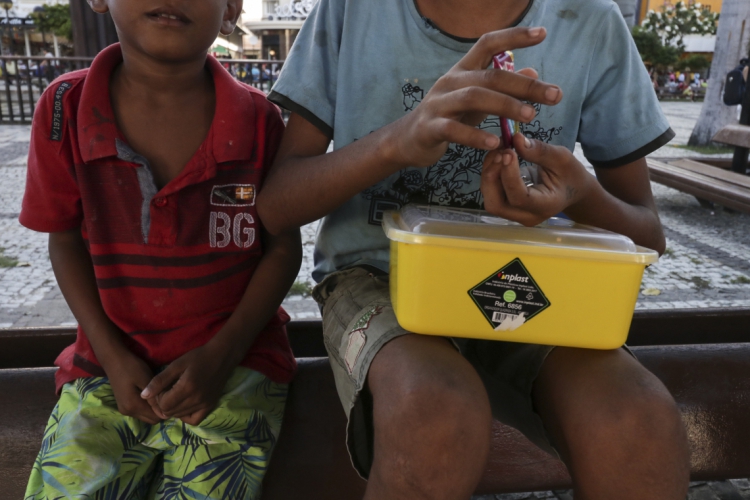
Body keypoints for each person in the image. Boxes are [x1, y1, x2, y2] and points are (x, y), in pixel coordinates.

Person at [257, 0, 690, 498]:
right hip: (376, 276)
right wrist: (397, 142)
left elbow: (647, 236)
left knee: (640, 423)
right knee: (434, 414)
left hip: (529, 281)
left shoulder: (590, 18)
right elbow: (278, 205)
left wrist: (581, 196)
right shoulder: (352, 10)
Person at [19, 0, 301, 498]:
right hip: (105, 364)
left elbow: (281, 249)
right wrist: (112, 356)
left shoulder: (259, 121)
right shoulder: (64, 108)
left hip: (234, 365)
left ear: (232, 8)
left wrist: (222, 355)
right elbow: (63, 239)